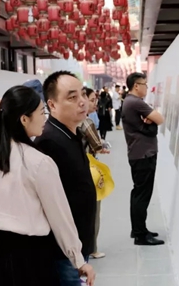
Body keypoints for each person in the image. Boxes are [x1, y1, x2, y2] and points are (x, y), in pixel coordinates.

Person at [0, 86, 95, 286]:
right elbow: (60, 218)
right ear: (24, 119)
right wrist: (78, 259)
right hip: (29, 253)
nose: (44, 118)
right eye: (41, 112)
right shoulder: (39, 162)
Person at [35, 71, 98, 286]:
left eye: (82, 94)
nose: (82, 102)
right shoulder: (49, 142)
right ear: (52, 105)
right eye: (72, 97)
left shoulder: (71, 133)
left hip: (77, 243)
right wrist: (74, 253)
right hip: (64, 249)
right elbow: (51, 205)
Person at [121, 72, 165, 245]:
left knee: (139, 193)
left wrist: (150, 121)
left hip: (139, 153)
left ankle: (139, 229)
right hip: (143, 155)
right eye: (144, 84)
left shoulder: (129, 102)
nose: (147, 87)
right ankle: (140, 234)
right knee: (142, 194)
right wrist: (150, 120)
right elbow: (160, 119)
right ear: (136, 86)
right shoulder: (136, 102)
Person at [80, 88, 109, 260]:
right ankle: (92, 248)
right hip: (89, 169)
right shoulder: (86, 122)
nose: (94, 103)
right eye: (91, 99)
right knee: (93, 210)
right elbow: (97, 145)